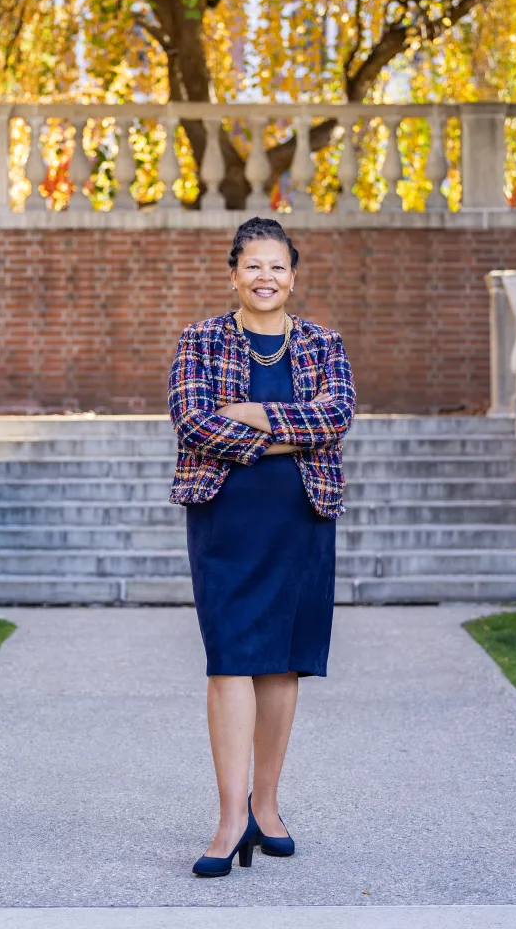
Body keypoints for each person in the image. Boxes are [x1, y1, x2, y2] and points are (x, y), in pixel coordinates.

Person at [167, 216, 357, 878]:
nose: (265, 278)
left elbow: (334, 419)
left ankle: (267, 807)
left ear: (292, 275)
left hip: (301, 513)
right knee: (229, 662)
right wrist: (283, 434)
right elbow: (193, 422)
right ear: (233, 273)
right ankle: (228, 820)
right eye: (253, 266)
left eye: (277, 267)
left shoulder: (323, 344)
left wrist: (248, 413)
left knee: (281, 662)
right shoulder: (199, 340)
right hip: (225, 514)